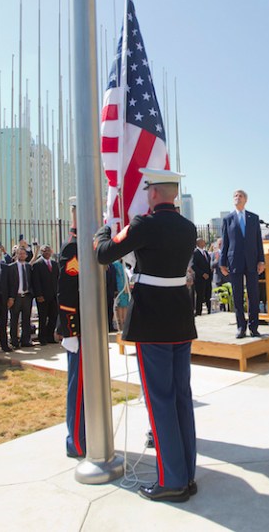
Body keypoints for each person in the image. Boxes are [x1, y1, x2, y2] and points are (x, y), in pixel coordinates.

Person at [96, 168, 198, 503]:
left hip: (153, 321)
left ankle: (172, 481)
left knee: (160, 401)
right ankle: (187, 474)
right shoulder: (187, 227)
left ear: (153, 193)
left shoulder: (144, 224)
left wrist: (102, 231)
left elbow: (104, 253)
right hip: (180, 319)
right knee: (181, 397)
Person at [57, 203, 84, 460]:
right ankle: (76, 441)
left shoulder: (89, 245)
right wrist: (70, 330)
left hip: (91, 328)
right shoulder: (73, 248)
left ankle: (87, 436)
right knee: (78, 389)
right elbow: (66, 293)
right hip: (78, 329)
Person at [220, 189, 266, 339]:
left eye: (240, 196)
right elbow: (225, 243)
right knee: (237, 295)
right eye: (235, 196)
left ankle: (254, 327)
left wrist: (261, 260)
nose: (237, 198)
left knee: (254, 295)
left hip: (252, 261)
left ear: (245, 200)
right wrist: (222, 263)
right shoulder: (228, 219)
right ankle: (241, 327)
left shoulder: (253, 218)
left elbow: (258, 241)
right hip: (235, 262)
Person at [31, 244, 59, 345]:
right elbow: (36, 281)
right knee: (43, 318)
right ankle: (42, 337)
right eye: (44, 251)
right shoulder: (37, 264)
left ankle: (50, 336)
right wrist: (39, 295)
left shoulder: (55, 264)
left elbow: (57, 279)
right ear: (41, 252)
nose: (47, 252)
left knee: (53, 316)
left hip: (53, 295)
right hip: (43, 296)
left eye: (48, 251)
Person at [7, 246, 34, 347]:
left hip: (27, 296)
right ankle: (14, 341)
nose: (22, 255)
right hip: (16, 297)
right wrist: (10, 297)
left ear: (26, 255)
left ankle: (25, 340)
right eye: (20, 253)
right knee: (14, 320)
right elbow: (8, 283)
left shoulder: (28, 266)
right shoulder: (11, 267)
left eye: (23, 253)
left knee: (26, 319)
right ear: (16, 255)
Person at [191, 238, 212, 316]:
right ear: (199, 243)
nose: (204, 242)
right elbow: (193, 265)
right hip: (200, 279)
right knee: (200, 295)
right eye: (203, 241)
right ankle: (198, 312)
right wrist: (202, 273)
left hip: (208, 278)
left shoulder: (205, 252)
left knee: (208, 295)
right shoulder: (195, 253)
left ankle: (209, 310)